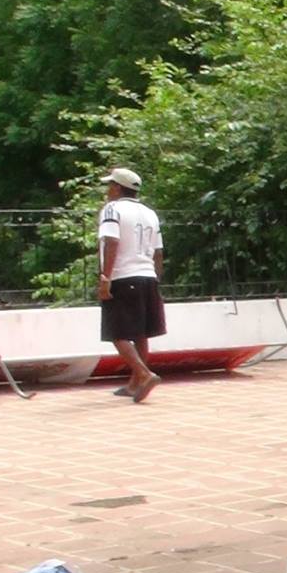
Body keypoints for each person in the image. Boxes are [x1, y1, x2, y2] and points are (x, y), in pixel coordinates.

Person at [96, 167, 166, 402]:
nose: (108, 190)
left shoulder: (112, 209)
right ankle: (135, 383)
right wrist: (157, 280)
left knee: (117, 332)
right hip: (147, 276)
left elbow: (111, 242)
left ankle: (144, 374)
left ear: (117, 187)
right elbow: (158, 252)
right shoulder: (150, 213)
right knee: (140, 332)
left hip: (123, 276)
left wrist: (105, 278)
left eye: (110, 186)